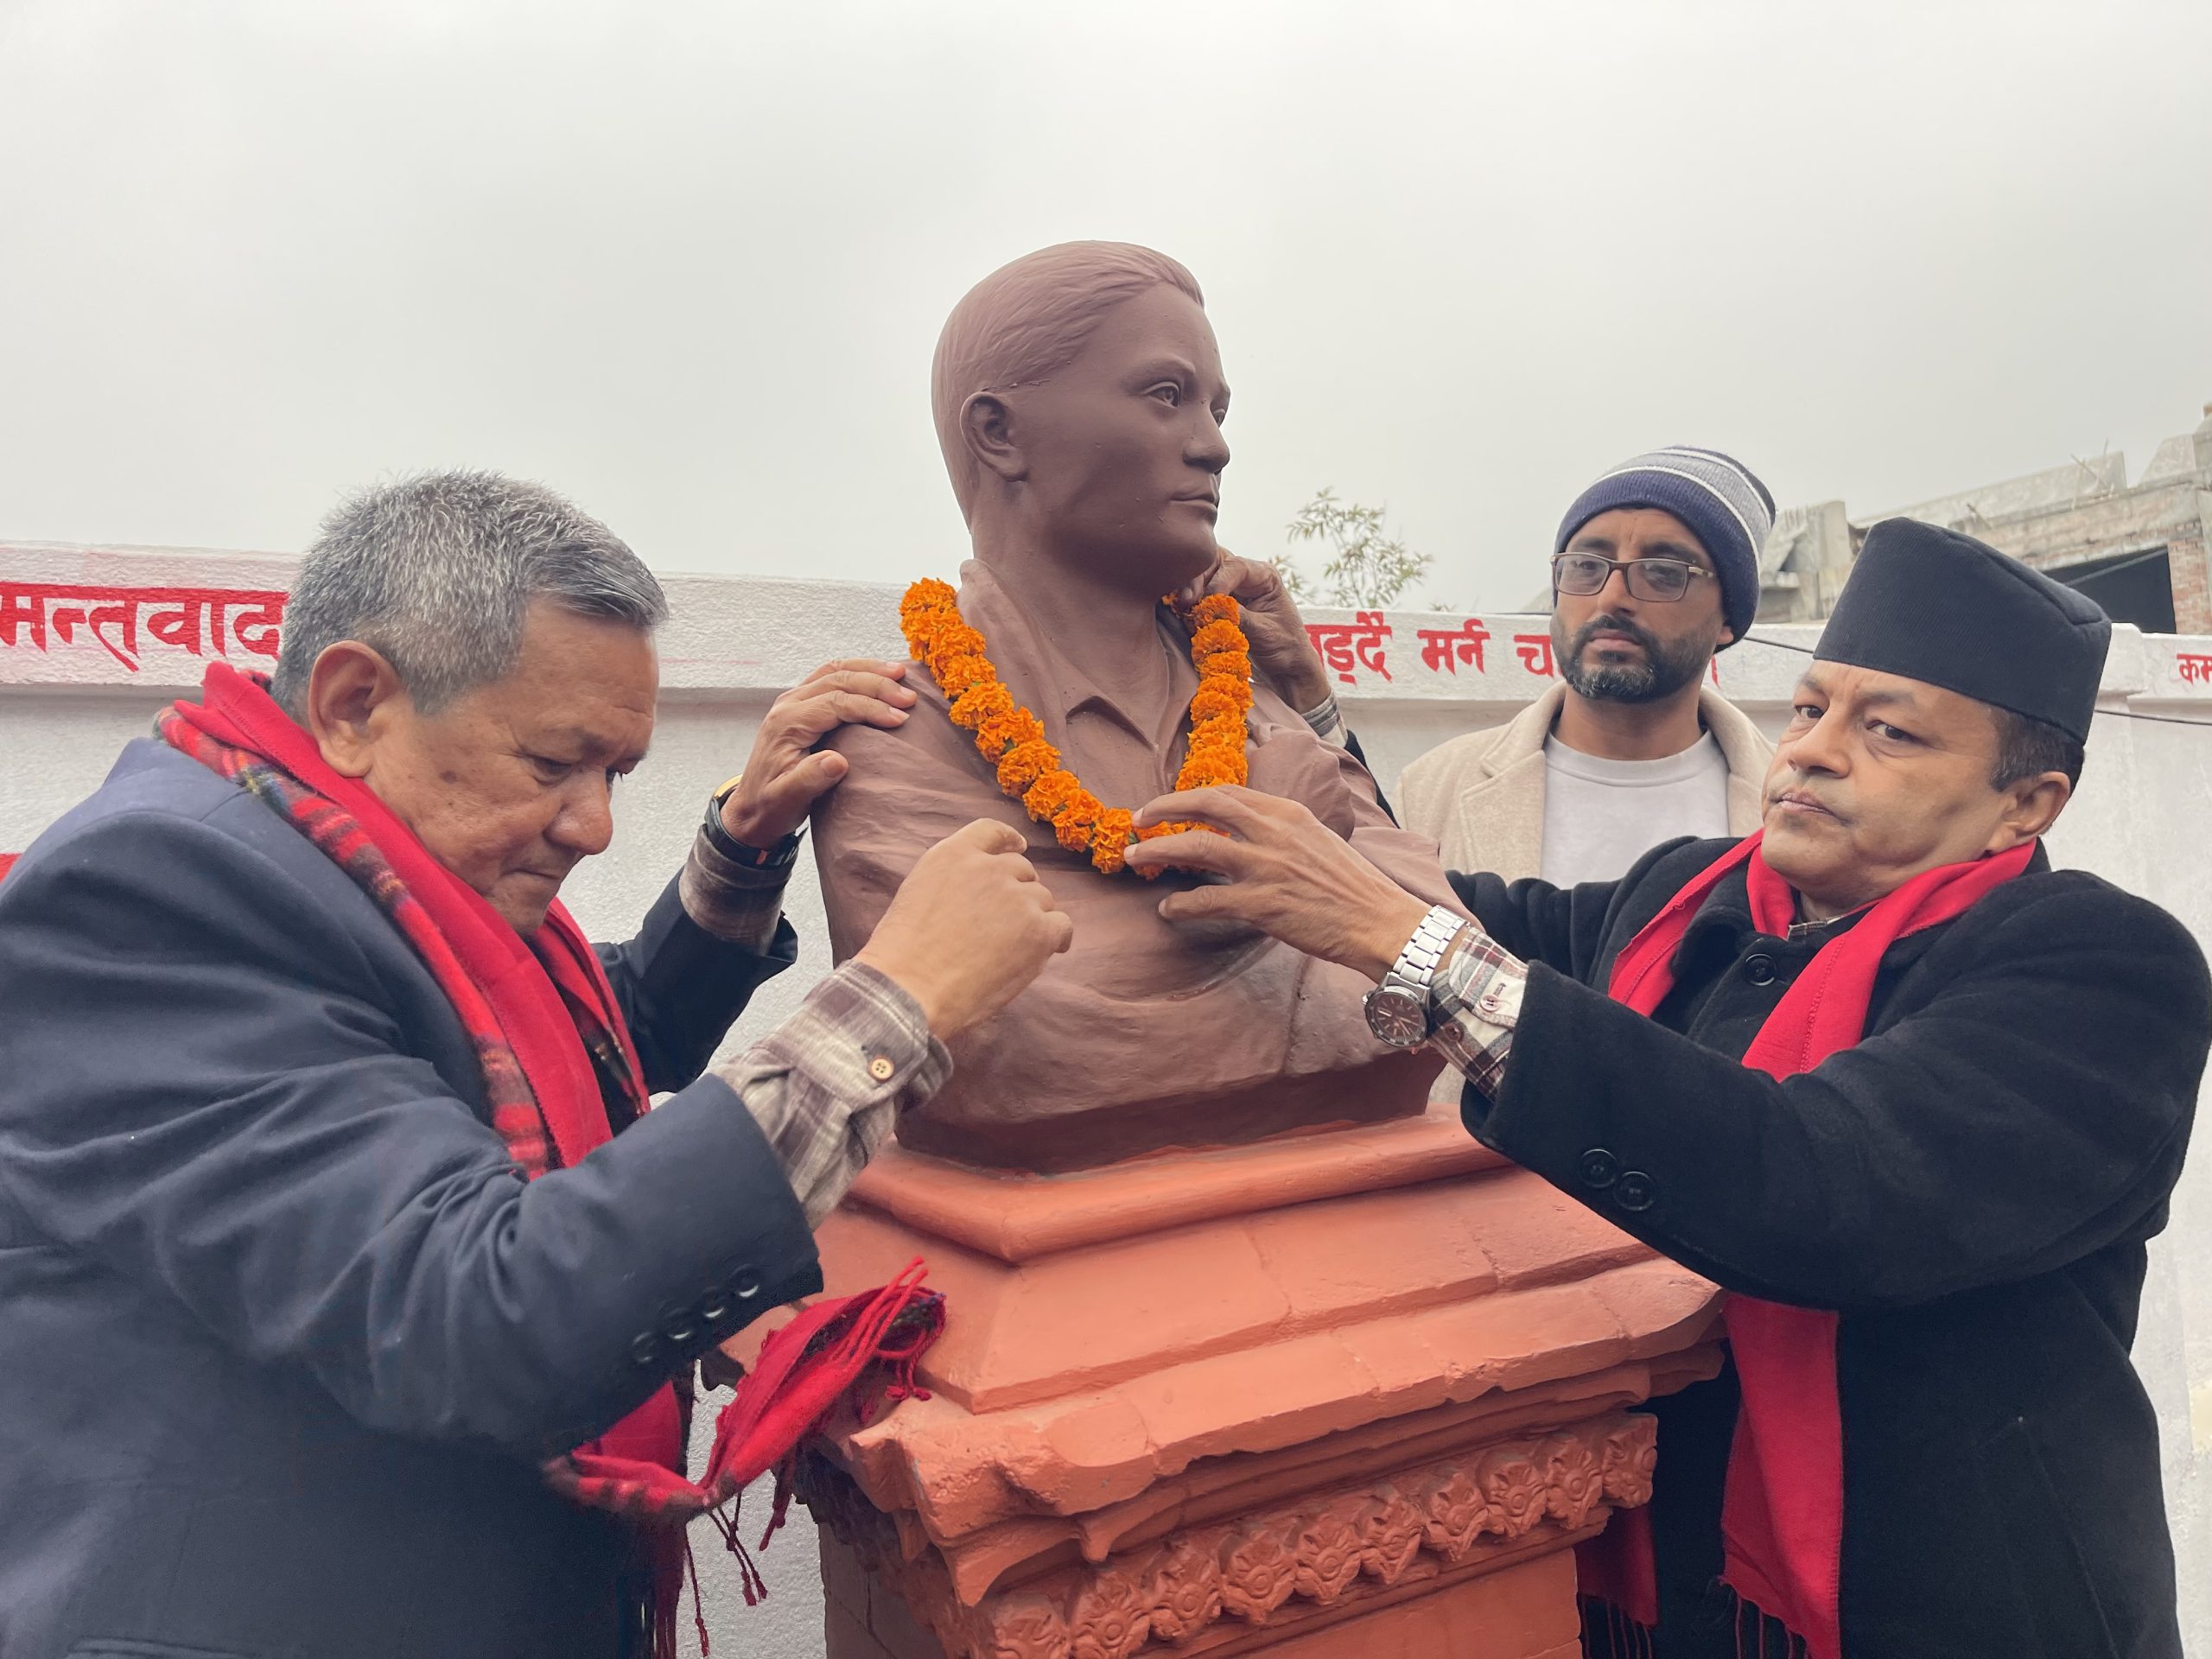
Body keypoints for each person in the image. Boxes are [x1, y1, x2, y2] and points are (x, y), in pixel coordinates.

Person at [0, 473, 1071, 1659]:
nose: (595, 823)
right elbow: (477, 1311)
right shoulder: (154, 898)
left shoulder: (355, 863)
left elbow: (584, 1045)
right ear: (356, 702)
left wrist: (739, 849)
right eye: (556, 762)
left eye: (616, 772)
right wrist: (895, 1006)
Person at [1124, 517, 2209, 1658]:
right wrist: (1308, 719)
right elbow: (1436, 904)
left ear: (2024, 804)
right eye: (1810, 710)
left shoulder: (2099, 969)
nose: (1814, 752)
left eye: (1887, 731)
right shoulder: (1686, 898)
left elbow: (1820, 1181)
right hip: (1660, 1589)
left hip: (1949, 1604)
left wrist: (1418, 951)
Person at [811, 241, 1457, 1172]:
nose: (1214, 445)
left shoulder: (1264, 707)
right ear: (999, 433)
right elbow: (998, 1050)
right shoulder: (893, 732)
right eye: (1165, 395)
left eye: (1218, 408)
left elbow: (1457, 953)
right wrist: (1298, 907)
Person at [1395, 447, 1777, 881]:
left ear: (1728, 617)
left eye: (1664, 571)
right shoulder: (1434, 788)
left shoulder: (1797, 800)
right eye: (1585, 567)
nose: (1611, 597)